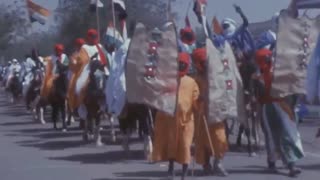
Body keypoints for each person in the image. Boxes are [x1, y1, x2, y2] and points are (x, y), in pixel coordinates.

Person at [255, 48, 304, 177]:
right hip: (266, 107)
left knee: (287, 135)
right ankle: (272, 162)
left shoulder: (280, 71)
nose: (268, 60)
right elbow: (255, 95)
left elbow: (292, 86)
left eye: (268, 58)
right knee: (271, 136)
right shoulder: (256, 76)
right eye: (265, 59)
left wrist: (294, 104)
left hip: (282, 106)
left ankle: (291, 165)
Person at [152, 52, 200, 180]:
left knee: (185, 145)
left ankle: (184, 173)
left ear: (187, 65)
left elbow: (196, 101)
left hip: (187, 121)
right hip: (171, 119)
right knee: (172, 145)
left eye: (183, 64)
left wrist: (200, 102)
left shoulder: (191, 82)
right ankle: (171, 169)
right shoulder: (168, 80)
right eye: (179, 63)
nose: (181, 65)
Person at [192, 47, 229, 176]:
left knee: (220, 138)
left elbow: (225, 91)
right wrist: (199, 98)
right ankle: (206, 164)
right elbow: (192, 96)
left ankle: (218, 163)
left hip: (216, 113)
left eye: (206, 62)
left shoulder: (217, 76)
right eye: (202, 63)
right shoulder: (195, 79)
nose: (205, 66)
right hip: (201, 114)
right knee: (202, 141)